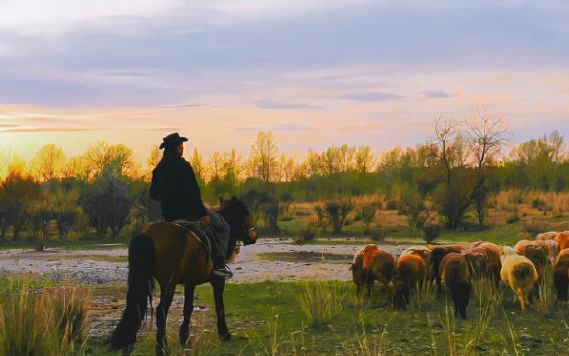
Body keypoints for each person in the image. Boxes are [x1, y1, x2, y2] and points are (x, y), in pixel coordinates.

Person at [149, 132, 233, 278]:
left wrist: (168, 196)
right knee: (224, 227)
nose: (183, 148)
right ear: (176, 148)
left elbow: (153, 194)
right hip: (189, 214)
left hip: (169, 216)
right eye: (181, 145)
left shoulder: (158, 169)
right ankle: (219, 265)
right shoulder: (184, 166)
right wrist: (203, 214)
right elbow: (194, 194)